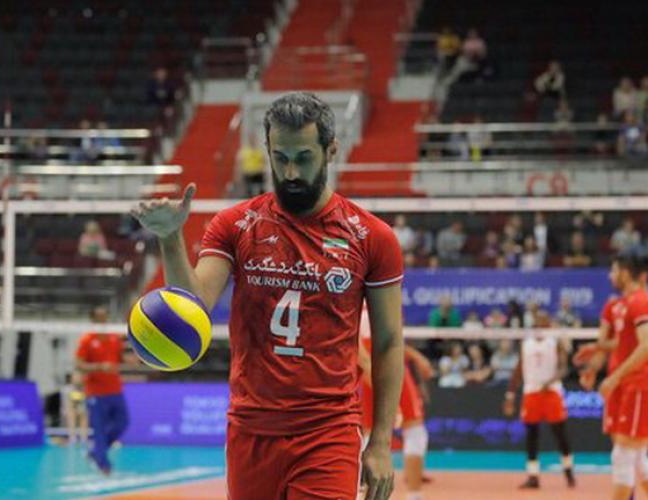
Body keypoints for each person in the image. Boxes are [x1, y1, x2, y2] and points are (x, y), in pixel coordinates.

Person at [131, 92, 404, 499]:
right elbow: (194, 305)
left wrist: (380, 441)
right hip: (251, 429)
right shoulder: (235, 224)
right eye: (280, 157)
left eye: (304, 158)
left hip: (328, 431)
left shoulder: (372, 237)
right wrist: (170, 237)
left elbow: (388, 341)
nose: (290, 172)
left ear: (331, 150)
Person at [575, 261, 648, 500]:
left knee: (644, 450)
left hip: (642, 383)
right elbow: (621, 342)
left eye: (615, 270)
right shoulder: (617, 306)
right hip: (624, 385)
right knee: (632, 455)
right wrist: (595, 357)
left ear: (635, 274)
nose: (611, 275)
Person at [359, 308, 431, 500]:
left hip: (371, 369)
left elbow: (388, 341)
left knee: (369, 435)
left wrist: (415, 356)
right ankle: (413, 496)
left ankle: (364, 495)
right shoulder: (377, 299)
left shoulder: (362, 303)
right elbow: (372, 350)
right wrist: (389, 397)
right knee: (414, 430)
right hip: (385, 371)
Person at [503, 328, 575, 489]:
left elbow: (564, 368)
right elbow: (518, 370)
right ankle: (533, 475)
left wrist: (550, 381)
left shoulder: (554, 341)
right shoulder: (526, 343)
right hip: (532, 391)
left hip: (551, 391)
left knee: (560, 433)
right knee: (531, 434)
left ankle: (568, 470)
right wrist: (510, 395)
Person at [75, 306, 128, 474]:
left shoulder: (114, 338)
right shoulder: (86, 340)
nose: (103, 321)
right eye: (99, 318)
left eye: (105, 317)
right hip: (96, 393)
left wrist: (131, 360)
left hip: (115, 390)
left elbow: (120, 360)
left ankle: (95, 452)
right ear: (93, 320)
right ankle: (103, 464)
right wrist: (99, 367)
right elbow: (79, 365)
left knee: (123, 423)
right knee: (99, 429)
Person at [61, 372, 88, 445]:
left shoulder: (85, 388)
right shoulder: (66, 388)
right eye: (75, 377)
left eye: (79, 377)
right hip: (69, 410)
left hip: (81, 409)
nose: (77, 379)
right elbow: (69, 403)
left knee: (84, 413)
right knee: (71, 413)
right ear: (72, 379)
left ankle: (84, 438)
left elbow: (85, 400)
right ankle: (72, 438)